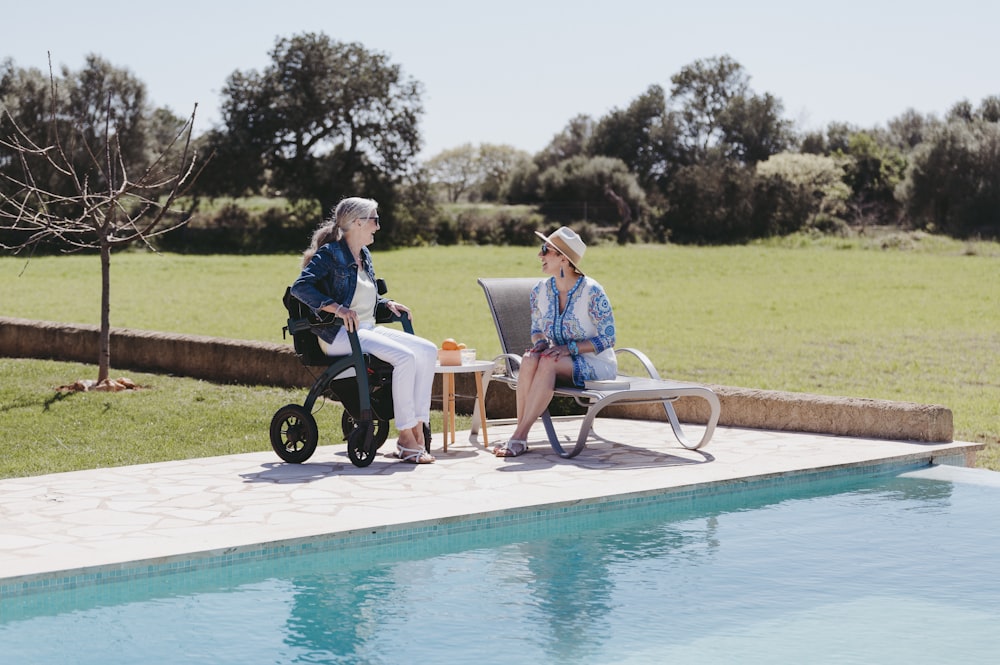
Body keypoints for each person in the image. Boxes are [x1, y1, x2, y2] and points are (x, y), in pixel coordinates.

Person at [291, 197, 438, 464]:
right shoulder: (329, 254)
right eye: (374, 220)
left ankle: (419, 425)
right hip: (337, 335)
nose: (377, 227)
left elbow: (361, 297)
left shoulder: (364, 256)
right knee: (405, 357)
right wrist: (336, 308)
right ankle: (406, 437)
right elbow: (301, 288)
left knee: (427, 351)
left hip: (366, 329)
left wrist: (387, 303)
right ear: (357, 223)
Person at [493, 226, 618, 457]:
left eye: (545, 250)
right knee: (530, 360)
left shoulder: (592, 291)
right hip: (556, 358)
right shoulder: (539, 291)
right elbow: (537, 329)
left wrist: (568, 349)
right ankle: (520, 435)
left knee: (548, 362)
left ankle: (519, 436)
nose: (539, 255)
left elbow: (608, 338)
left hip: (595, 362)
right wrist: (540, 343)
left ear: (563, 258)